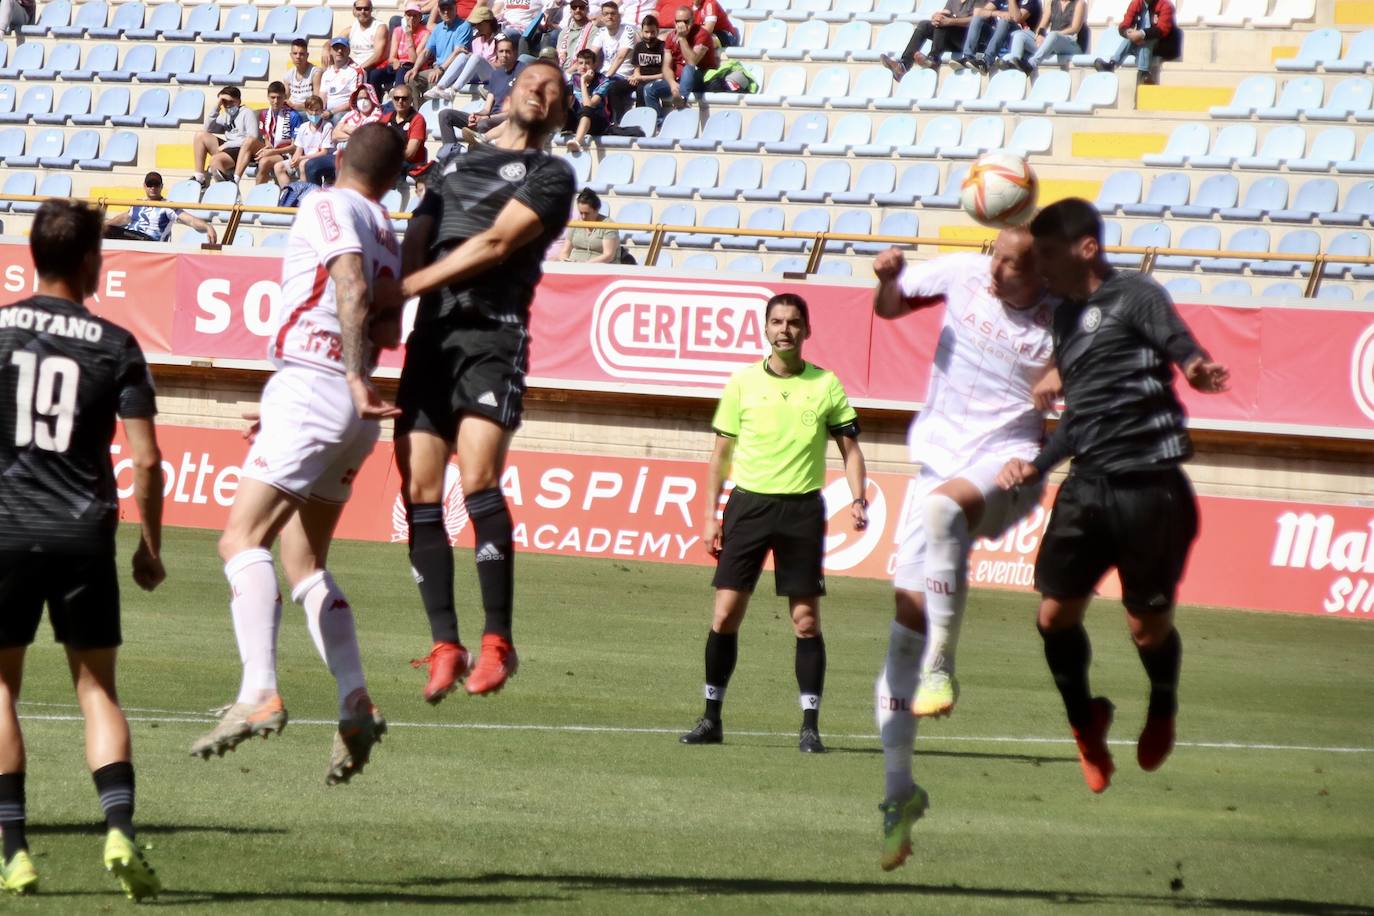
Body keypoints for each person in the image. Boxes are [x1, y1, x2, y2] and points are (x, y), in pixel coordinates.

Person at [189, 124, 406, 787]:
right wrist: (345, 381)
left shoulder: (325, 203)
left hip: (321, 384)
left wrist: (329, 378)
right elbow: (390, 322)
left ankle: (259, 691)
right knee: (304, 561)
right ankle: (353, 698)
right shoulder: (387, 229)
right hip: (346, 405)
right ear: (395, 177)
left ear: (339, 160)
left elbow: (349, 285)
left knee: (239, 540)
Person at [995, 198, 1230, 795]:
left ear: (1086, 248)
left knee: (1146, 629)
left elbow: (1180, 346)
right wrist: (1037, 464)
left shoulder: (1137, 295)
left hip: (1152, 487)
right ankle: (1085, 725)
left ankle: (1164, 702)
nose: (1039, 266)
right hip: (1088, 486)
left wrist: (1198, 367)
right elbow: (1081, 417)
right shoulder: (1064, 321)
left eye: (1047, 254)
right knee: (1053, 617)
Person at [869, 229, 1058, 871]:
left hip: (1007, 462)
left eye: (1015, 264)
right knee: (901, 627)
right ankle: (899, 793)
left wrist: (1058, 390)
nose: (998, 270)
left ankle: (943, 664)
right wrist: (888, 279)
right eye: (997, 257)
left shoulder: (1066, 313)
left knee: (946, 507)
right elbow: (890, 309)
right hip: (938, 462)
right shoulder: (964, 273)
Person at [394, 61, 575, 704]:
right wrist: (394, 310)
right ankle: (446, 643)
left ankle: (497, 640)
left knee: (476, 478)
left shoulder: (553, 175)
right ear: (509, 90)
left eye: (553, 88)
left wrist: (406, 288)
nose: (540, 88)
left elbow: (499, 243)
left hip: (493, 336)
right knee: (417, 487)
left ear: (559, 112)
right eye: (532, 79)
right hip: (432, 339)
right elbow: (419, 230)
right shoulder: (451, 162)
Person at [0, 199, 165, 900]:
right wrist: (149, 545)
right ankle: (120, 831)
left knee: (2, 687)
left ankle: (13, 851)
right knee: (97, 689)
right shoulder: (117, 344)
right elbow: (148, 460)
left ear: (35, 255)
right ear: (91, 261)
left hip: (5, 529)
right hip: (83, 533)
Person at [678, 293, 868, 755]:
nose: (785, 329)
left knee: (805, 621)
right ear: (765, 329)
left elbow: (851, 450)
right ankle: (711, 718)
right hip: (748, 508)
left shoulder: (825, 385)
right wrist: (709, 516)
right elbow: (720, 456)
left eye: (794, 323)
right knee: (725, 615)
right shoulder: (742, 382)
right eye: (777, 322)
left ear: (807, 331)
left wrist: (859, 498)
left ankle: (809, 725)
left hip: (802, 511)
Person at [436, 35, 525, 147]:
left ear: (515, 53)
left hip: (507, 120)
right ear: (496, 53)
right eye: (501, 51)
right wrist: (476, 115)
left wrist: (487, 118)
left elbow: (517, 111)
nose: (504, 55)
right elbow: (487, 108)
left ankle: (475, 162)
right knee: (445, 114)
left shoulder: (523, 71)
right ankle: (450, 154)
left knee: (482, 124)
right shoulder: (495, 75)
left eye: (508, 51)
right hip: (489, 118)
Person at [103, 171, 217, 244]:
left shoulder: (168, 206)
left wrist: (207, 227)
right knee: (100, 231)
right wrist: (103, 225)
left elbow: (190, 220)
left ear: (161, 186)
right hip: (132, 236)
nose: (153, 188)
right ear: (144, 186)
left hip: (150, 241)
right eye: (150, 185)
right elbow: (124, 218)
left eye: (156, 185)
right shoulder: (138, 203)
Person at [880, 0, 982, 79]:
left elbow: (978, 20)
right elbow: (945, 14)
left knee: (943, 24)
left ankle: (934, 59)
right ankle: (903, 65)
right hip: (954, 38)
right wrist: (936, 17)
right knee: (925, 25)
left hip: (973, 41)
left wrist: (949, 21)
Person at [646, 6, 715, 117]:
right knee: (648, 89)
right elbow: (666, 67)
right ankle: (659, 124)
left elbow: (692, 61)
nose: (681, 25)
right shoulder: (671, 37)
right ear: (674, 22)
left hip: (699, 78)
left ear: (692, 21)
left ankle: (682, 100)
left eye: (685, 21)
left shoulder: (702, 35)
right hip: (678, 81)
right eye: (678, 21)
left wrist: (682, 38)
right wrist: (672, 84)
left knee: (688, 68)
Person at [422, 5, 502, 101]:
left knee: (476, 57)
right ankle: (440, 87)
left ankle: (453, 90)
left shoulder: (500, 39)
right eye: (475, 24)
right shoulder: (476, 40)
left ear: (488, 23)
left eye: (479, 24)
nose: (476, 27)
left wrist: (481, 61)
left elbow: (503, 65)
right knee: (463, 55)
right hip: (478, 76)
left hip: (495, 75)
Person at [1094, 0, 1178, 85]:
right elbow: (1124, 25)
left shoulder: (1165, 5)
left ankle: (1144, 72)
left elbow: (1162, 30)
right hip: (1140, 44)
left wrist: (1142, 34)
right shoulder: (1136, 3)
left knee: (1146, 39)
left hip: (1162, 45)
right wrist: (1127, 32)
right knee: (1129, 38)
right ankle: (1112, 65)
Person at [191, 87, 261, 186]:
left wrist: (228, 144)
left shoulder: (247, 113)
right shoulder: (225, 115)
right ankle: (199, 178)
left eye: (231, 102)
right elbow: (207, 128)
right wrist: (217, 105)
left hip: (243, 150)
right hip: (229, 149)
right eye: (225, 102)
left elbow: (252, 138)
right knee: (200, 135)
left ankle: (229, 189)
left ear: (239, 101)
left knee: (215, 161)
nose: (228, 105)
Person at [999, 0, 1085, 73]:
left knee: (1053, 35)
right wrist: (1040, 35)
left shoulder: (1080, 3)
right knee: (1020, 34)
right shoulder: (1052, 2)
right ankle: (1014, 62)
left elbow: (1075, 28)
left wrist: (1054, 36)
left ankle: (1031, 64)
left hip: (1070, 43)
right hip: (1051, 42)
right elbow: (1042, 25)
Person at [410, 0, 475, 95]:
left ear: (455, 9)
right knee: (412, 79)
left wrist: (440, 70)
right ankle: (418, 109)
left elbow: (458, 53)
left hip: (453, 70)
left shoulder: (464, 26)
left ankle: (436, 109)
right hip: (438, 68)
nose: (446, 12)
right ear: (439, 11)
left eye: (449, 8)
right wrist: (415, 68)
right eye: (443, 9)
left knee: (433, 79)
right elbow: (426, 52)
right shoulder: (438, 28)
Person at [952, 0, 1039, 72]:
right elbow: (978, 12)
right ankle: (967, 56)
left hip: (1016, 39)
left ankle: (986, 61)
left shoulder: (1031, 2)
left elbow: (1017, 19)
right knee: (977, 18)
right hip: (997, 37)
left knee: (1004, 21)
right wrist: (997, 13)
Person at [275, 95, 335, 188]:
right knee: (278, 167)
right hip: (304, 158)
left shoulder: (327, 126)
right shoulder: (303, 127)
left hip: (319, 160)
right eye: (311, 110)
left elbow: (324, 152)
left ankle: (304, 195)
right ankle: (290, 195)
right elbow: (299, 149)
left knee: (304, 164)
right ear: (306, 111)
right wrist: (294, 160)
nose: (314, 113)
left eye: (317, 110)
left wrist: (302, 159)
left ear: (322, 110)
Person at [252, 82, 305, 187]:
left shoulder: (294, 116)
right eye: (272, 97)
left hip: (286, 154)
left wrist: (271, 152)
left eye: (279, 98)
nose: (275, 101)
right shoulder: (264, 114)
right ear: (268, 97)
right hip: (274, 151)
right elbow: (266, 137)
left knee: (264, 162)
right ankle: (256, 194)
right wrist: (267, 148)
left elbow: (294, 147)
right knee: (250, 143)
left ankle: (285, 197)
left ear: (285, 97)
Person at [370, 3, 431, 93]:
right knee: (374, 74)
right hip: (397, 66)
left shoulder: (425, 34)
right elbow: (392, 57)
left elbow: (414, 60)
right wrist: (395, 61)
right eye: (409, 15)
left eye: (415, 16)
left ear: (420, 17)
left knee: (401, 72)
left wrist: (409, 36)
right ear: (404, 16)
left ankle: (398, 98)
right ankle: (375, 101)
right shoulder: (398, 30)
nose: (411, 18)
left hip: (412, 67)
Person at [380, 84, 429, 194]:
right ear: (392, 100)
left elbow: (410, 153)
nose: (400, 101)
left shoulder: (417, 119)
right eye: (397, 98)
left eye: (404, 98)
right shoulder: (386, 118)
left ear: (411, 100)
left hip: (410, 163)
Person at [618, 14, 670, 114]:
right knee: (616, 88)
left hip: (657, 80)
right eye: (646, 32)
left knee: (642, 89)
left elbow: (665, 74)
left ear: (657, 31)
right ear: (641, 32)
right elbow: (637, 67)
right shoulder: (639, 46)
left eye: (652, 32)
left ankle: (644, 117)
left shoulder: (663, 47)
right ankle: (618, 120)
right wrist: (636, 76)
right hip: (640, 79)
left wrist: (642, 78)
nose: (649, 36)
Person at [592, 0, 638, 110]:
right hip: (605, 73)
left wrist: (605, 78)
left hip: (623, 75)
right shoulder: (601, 32)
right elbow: (591, 54)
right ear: (602, 17)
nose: (609, 17)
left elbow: (620, 57)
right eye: (606, 14)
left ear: (619, 16)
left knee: (609, 87)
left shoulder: (628, 31)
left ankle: (615, 122)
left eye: (613, 13)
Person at [565, 48, 612, 152]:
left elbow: (589, 105)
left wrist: (582, 81)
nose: (583, 66)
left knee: (586, 110)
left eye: (587, 63)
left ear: (594, 65)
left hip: (598, 121)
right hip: (577, 118)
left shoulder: (604, 81)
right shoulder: (572, 79)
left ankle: (577, 142)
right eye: (580, 63)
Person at [556, 189, 619, 262]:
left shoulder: (609, 225)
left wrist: (586, 265)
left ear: (597, 210)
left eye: (587, 213)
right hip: (574, 265)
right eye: (581, 213)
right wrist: (564, 260)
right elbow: (565, 250)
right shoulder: (576, 223)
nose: (583, 217)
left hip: (598, 267)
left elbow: (608, 255)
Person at [341, 0, 390, 79]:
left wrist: (359, 69)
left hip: (372, 67)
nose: (362, 11)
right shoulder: (351, 29)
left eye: (366, 8)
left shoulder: (380, 28)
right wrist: (326, 47)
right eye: (359, 8)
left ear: (371, 9)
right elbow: (335, 42)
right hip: (354, 68)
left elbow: (378, 56)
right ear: (354, 10)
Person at [321, 37, 367, 120]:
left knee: (337, 117)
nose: (339, 51)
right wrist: (319, 112)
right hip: (327, 112)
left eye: (343, 48)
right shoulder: (327, 72)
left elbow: (355, 100)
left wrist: (332, 112)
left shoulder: (356, 71)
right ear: (331, 51)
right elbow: (322, 97)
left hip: (347, 113)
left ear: (349, 51)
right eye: (336, 48)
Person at [555, 0, 596, 74]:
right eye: (574, 7)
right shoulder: (564, 31)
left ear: (587, 9)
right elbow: (557, 55)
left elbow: (586, 59)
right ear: (570, 10)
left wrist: (565, 75)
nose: (577, 10)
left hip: (578, 72)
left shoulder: (593, 30)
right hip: (560, 69)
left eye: (581, 7)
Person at [284, 39, 324, 114]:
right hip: (293, 111)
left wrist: (296, 106)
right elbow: (284, 98)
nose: (298, 57)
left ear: (307, 55)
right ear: (291, 55)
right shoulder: (288, 75)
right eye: (295, 53)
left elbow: (316, 101)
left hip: (309, 112)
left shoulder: (315, 73)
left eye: (301, 54)